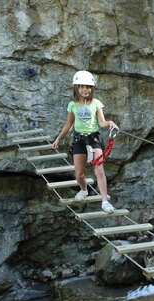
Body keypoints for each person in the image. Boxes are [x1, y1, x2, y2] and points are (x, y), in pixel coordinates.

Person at [52, 70, 118, 213]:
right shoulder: (72, 105)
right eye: (82, 87)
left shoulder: (96, 103)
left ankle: (105, 201)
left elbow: (101, 122)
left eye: (88, 87)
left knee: (99, 169)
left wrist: (110, 123)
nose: (85, 90)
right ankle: (84, 189)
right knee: (79, 175)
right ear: (77, 88)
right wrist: (58, 138)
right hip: (79, 140)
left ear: (91, 88)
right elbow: (68, 125)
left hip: (94, 138)